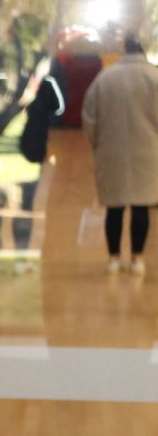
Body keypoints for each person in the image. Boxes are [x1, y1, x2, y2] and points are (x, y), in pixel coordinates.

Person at [82, 34, 158, 275]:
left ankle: (113, 257)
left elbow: (89, 116)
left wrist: (97, 145)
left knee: (114, 207)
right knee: (141, 206)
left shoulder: (106, 77)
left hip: (111, 150)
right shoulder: (154, 77)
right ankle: (137, 259)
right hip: (149, 151)